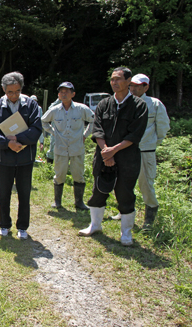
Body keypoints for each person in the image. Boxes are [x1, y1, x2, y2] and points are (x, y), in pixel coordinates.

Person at [79, 67, 148, 246]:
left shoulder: (139, 106)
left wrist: (114, 151)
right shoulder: (104, 104)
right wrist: (105, 152)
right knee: (99, 190)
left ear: (128, 81)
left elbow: (135, 135)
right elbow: (98, 129)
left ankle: (126, 233)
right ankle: (95, 225)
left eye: (118, 79)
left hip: (127, 157)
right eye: (112, 79)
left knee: (125, 193)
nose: (114, 82)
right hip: (103, 155)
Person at [0, 72, 42, 240]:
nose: (14, 95)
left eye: (17, 91)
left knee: (24, 193)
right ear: (3, 90)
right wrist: (7, 143)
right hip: (4, 158)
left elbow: (36, 128)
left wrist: (17, 139)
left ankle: (23, 226)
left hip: (26, 157)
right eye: (10, 92)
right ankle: (4, 224)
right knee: (4, 193)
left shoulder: (31, 105)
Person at [111, 73, 170, 226]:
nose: (134, 89)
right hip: (124, 151)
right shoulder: (123, 102)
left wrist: (151, 144)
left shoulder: (155, 104)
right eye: (132, 86)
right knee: (122, 183)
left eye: (138, 86)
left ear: (146, 87)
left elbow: (163, 128)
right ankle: (123, 212)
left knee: (146, 184)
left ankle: (149, 220)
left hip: (145, 151)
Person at [41, 82, 94, 210]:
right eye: (61, 92)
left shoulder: (81, 109)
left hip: (77, 148)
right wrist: (53, 132)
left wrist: (85, 135)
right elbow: (43, 121)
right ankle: (57, 202)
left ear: (73, 94)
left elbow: (94, 120)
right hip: (60, 148)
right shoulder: (54, 110)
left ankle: (79, 202)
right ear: (58, 94)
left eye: (67, 91)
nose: (64, 94)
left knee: (78, 175)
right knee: (59, 175)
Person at [45, 98, 62, 163]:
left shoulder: (70, 105)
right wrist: (58, 100)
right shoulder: (56, 104)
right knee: (52, 146)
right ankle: (49, 166)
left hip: (65, 132)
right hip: (55, 130)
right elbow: (50, 109)